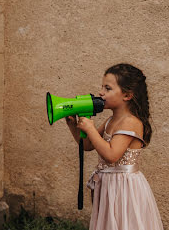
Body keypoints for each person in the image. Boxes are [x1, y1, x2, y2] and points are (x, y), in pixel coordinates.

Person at [66, 63, 163, 230]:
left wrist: (90, 128)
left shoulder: (131, 122)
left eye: (108, 88)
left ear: (127, 95)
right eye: (102, 87)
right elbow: (89, 145)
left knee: (124, 223)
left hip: (124, 189)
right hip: (109, 185)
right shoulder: (111, 120)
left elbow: (111, 155)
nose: (100, 92)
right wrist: (73, 125)